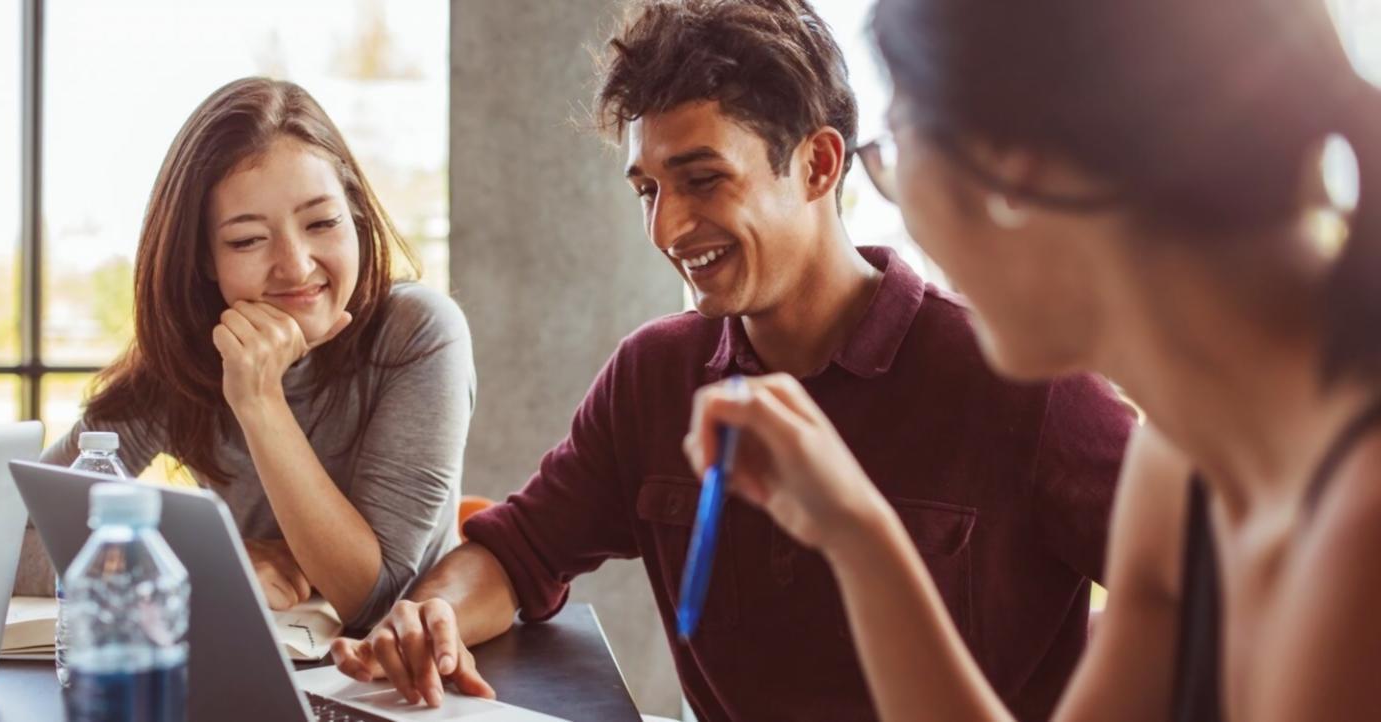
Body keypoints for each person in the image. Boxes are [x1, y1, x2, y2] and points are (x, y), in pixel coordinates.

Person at [330, 2, 1135, 718]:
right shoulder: (654, 377)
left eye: (704, 179)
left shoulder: (1021, 383)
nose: (668, 229)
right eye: (647, 189)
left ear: (819, 165)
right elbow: (518, 554)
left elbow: (1212, 607)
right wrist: (431, 613)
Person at [685, 0, 1381, 719]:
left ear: (1013, 177)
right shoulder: (1180, 460)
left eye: (893, 149)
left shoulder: (1360, 533)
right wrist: (857, 535)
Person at [14, 77, 475, 633]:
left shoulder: (418, 333)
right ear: (205, 259)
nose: (296, 265)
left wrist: (259, 398)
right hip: (250, 666)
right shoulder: (190, 354)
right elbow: (9, 540)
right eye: (248, 240)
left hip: (401, 684)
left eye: (322, 222)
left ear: (354, 216)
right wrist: (211, 558)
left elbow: (372, 599)